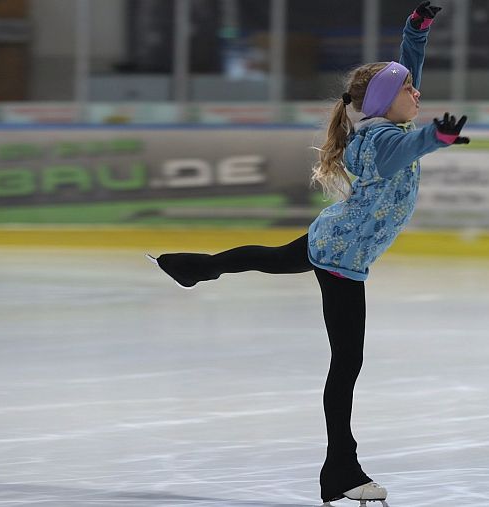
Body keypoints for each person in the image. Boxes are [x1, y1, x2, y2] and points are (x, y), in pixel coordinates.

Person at [146, 3, 469, 505]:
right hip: (341, 259)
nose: (418, 93)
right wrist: (437, 137)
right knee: (346, 363)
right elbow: (398, 154)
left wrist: (416, 31)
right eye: (408, 89)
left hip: (334, 241)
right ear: (387, 99)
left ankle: (194, 267)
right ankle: (341, 469)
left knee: (271, 257)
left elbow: (406, 74)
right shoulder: (379, 141)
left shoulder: (389, 125)